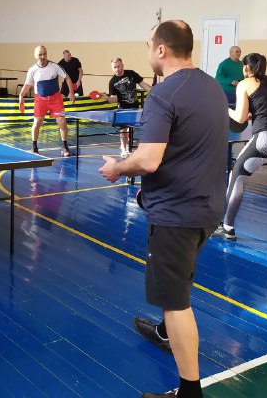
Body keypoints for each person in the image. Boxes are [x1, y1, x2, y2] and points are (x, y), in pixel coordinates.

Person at [98, 20, 227, 398]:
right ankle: (165, 332)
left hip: (177, 214)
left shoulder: (163, 94)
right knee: (179, 279)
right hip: (208, 207)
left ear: (161, 49)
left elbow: (148, 159)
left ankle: (189, 390)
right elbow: (191, 146)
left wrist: (117, 168)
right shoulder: (212, 88)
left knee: (175, 301)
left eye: (148, 44)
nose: (147, 50)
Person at [214, 53, 267, 241]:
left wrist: (223, 107)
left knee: (237, 177)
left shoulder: (244, 84)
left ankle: (227, 228)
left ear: (246, 68)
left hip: (266, 137)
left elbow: (239, 118)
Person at [18, 45, 76, 157]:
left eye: (44, 54)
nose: (43, 56)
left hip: (55, 99)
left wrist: (71, 92)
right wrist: (21, 95)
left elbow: (67, 78)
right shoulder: (32, 70)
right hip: (40, 100)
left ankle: (65, 146)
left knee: (62, 121)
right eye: (40, 54)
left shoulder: (55, 66)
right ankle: (34, 147)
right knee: (37, 122)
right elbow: (27, 84)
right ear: (35, 55)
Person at [100, 57, 153, 157]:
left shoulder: (131, 74)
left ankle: (136, 146)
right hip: (123, 109)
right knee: (123, 129)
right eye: (114, 67)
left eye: (118, 66)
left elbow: (143, 84)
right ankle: (124, 149)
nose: (117, 69)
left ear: (122, 65)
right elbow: (115, 99)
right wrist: (107, 98)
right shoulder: (112, 82)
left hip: (135, 107)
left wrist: (154, 91)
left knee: (135, 128)